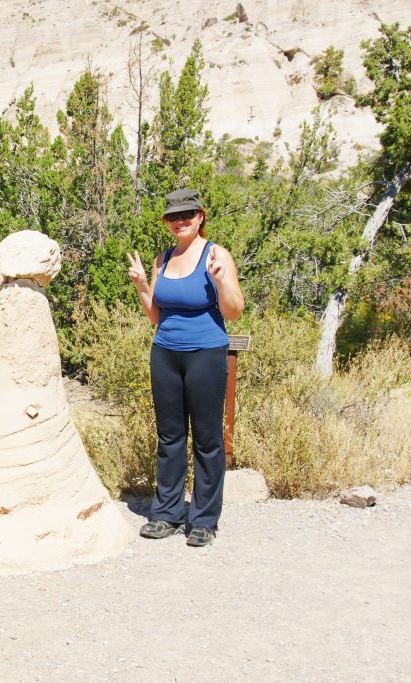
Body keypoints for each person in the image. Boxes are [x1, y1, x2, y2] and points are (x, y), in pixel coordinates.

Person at [126, 189, 245, 547]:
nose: (180, 221)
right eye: (173, 216)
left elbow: (234, 311)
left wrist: (222, 280)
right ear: (167, 222)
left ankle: (204, 520)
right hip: (165, 352)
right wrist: (143, 285)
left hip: (206, 352)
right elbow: (156, 316)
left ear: (200, 216)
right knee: (170, 437)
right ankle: (167, 514)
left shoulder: (216, 254)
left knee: (208, 440)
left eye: (187, 214)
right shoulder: (162, 259)